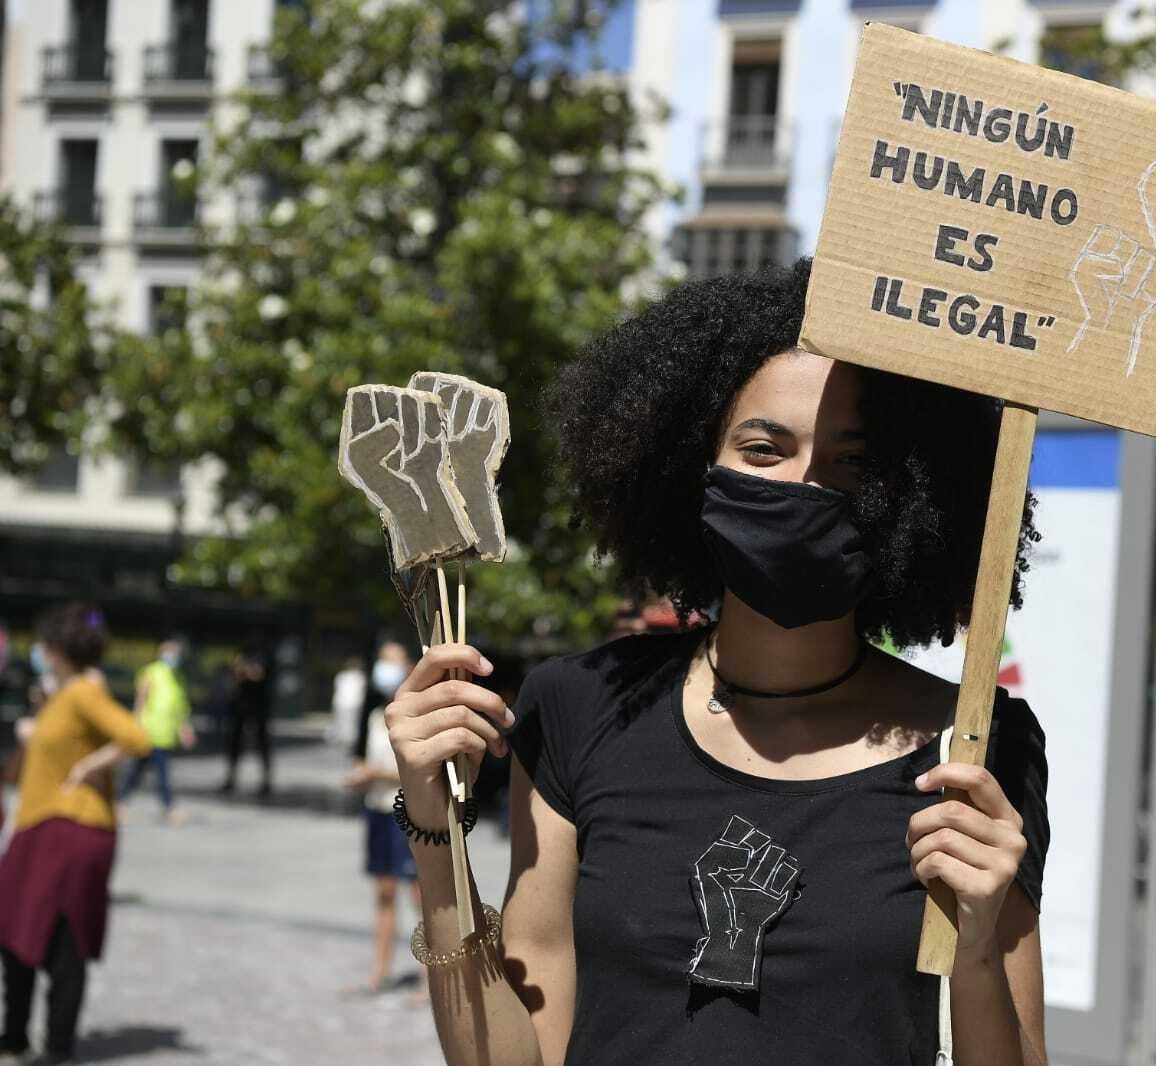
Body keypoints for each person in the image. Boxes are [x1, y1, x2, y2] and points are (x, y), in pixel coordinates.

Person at [381, 261, 1050, 1065]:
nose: (805, 483)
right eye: (765, 449)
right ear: (687, 469)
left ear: (908, 496)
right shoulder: (583, 705)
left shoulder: (973, 744)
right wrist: (431, 827)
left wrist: (976, 951)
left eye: (849, 463)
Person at [0, 605, 150, 1064]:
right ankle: (16, 1036)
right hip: (37, 825)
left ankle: (57, 1047)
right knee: (14, 933)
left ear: (58, 650)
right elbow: (24, 772)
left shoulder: (85, 692)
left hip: (73, 828)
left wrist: (89, 766)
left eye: (44, 647)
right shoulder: (58, 698)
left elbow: (135, 738)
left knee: (64, 939)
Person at [343, 639, 423, 993]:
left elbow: (420, 772)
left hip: (409, 813)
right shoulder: (374, 715)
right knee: (384, 894)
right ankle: (380, 971)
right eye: (383, 661)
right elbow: (363, 761)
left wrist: (377, 774)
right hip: (377, 811)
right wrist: (360, 776)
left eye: (395, 660)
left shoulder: (419, 714)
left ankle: (430, 980)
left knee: (422, 900)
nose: (386, 668)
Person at [120, 638, 195, 823]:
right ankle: (166, 807)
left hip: (165, 734)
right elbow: (141, 699)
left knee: (144, 771)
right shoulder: (151, 672)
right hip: (149, 731)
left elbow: (180, 707)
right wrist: (135, 724)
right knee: (148, 772)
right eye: (171, 653)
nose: (173, 657)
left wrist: (185, 729)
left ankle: (122, 802)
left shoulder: (178, 677)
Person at [219, 645, 273, 796]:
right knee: (234, 744)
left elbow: (257, 674)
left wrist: (245, 670)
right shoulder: (242, 657)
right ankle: (230, 779)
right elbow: (237, 676)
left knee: (262, 745)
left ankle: (266, 782)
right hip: (240, 708)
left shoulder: (264, 656)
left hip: (259, 707)